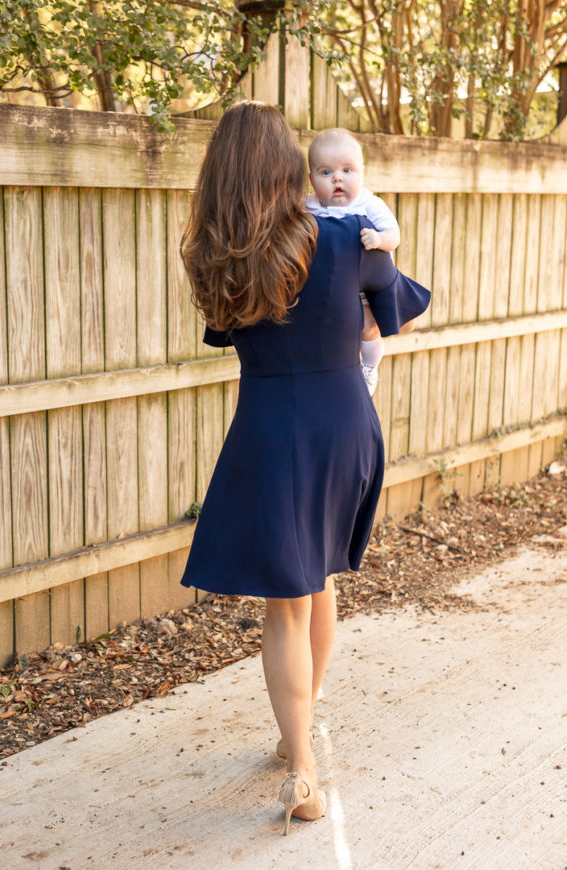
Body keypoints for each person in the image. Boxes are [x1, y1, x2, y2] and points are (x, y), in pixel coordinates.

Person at [180, 101, 430, 835]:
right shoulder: (347, 233)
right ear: (286, 165)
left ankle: (299, 764)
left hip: (269, 428)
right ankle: (299, 741)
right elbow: (402, 314)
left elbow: (223, 332)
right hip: (345, 421)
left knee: (286, 602)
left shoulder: (217, 251)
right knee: (315, 580)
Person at [306, 127, 401, 395]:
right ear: (311, 179)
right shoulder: (307, 206)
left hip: (365, 286)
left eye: (347, 170)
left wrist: (379, 240)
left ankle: (370, 366)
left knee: (368, 326)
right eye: (326, 172)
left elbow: (394, 235)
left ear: (361, 172)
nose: (338, 178)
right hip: (329, 286)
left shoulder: (369, 203)